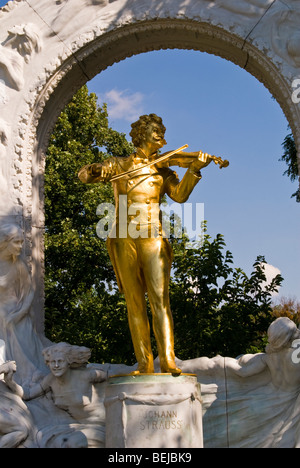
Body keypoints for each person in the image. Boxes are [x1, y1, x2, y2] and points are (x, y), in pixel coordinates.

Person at [78, 114, 213, 375]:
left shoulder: (164, 170)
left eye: (162, 130)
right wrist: (96, 169)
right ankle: (144, 363)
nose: (161, 134)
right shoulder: (118, 164)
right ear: (141, 135)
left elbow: (180, 195)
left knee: (160, 301)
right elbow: (84, 175)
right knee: (134, 302)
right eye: (156, 130)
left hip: (153, 236)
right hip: (122, 237)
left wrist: (194, 168)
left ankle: (168, 360)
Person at [4, 342, 107, 448]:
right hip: (75, 426)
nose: (56, 365)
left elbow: (117, 376)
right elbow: (28, 394)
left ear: (68, 362)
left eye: (60, 361)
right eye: (53, 362)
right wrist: (9, 380)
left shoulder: (87, 375)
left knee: (70, 444)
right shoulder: (51, 380)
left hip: (102, 425)